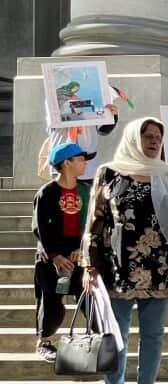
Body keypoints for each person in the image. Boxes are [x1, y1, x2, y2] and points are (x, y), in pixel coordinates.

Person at [82, 118, 168, 384]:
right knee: (115, 336)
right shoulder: (109, 173)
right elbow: (94, 221)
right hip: (117, 269)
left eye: (158, 137)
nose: (153, 141)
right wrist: (89, 264)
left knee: (153, 336)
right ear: (133, 139)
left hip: (160, 268)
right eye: (147, 136)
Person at [31, 142, 90, 362]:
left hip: (78, 256)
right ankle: (44, 342)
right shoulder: (46, 192)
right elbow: (39, 227)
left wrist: (81, 248)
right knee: (50, 302)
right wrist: (54, 256)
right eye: (80, 159)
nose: (84, 163)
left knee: (89, 300)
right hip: (52, 258)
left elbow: (94, 222)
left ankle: (97, 340)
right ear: (67, 163)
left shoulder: (86, 190)